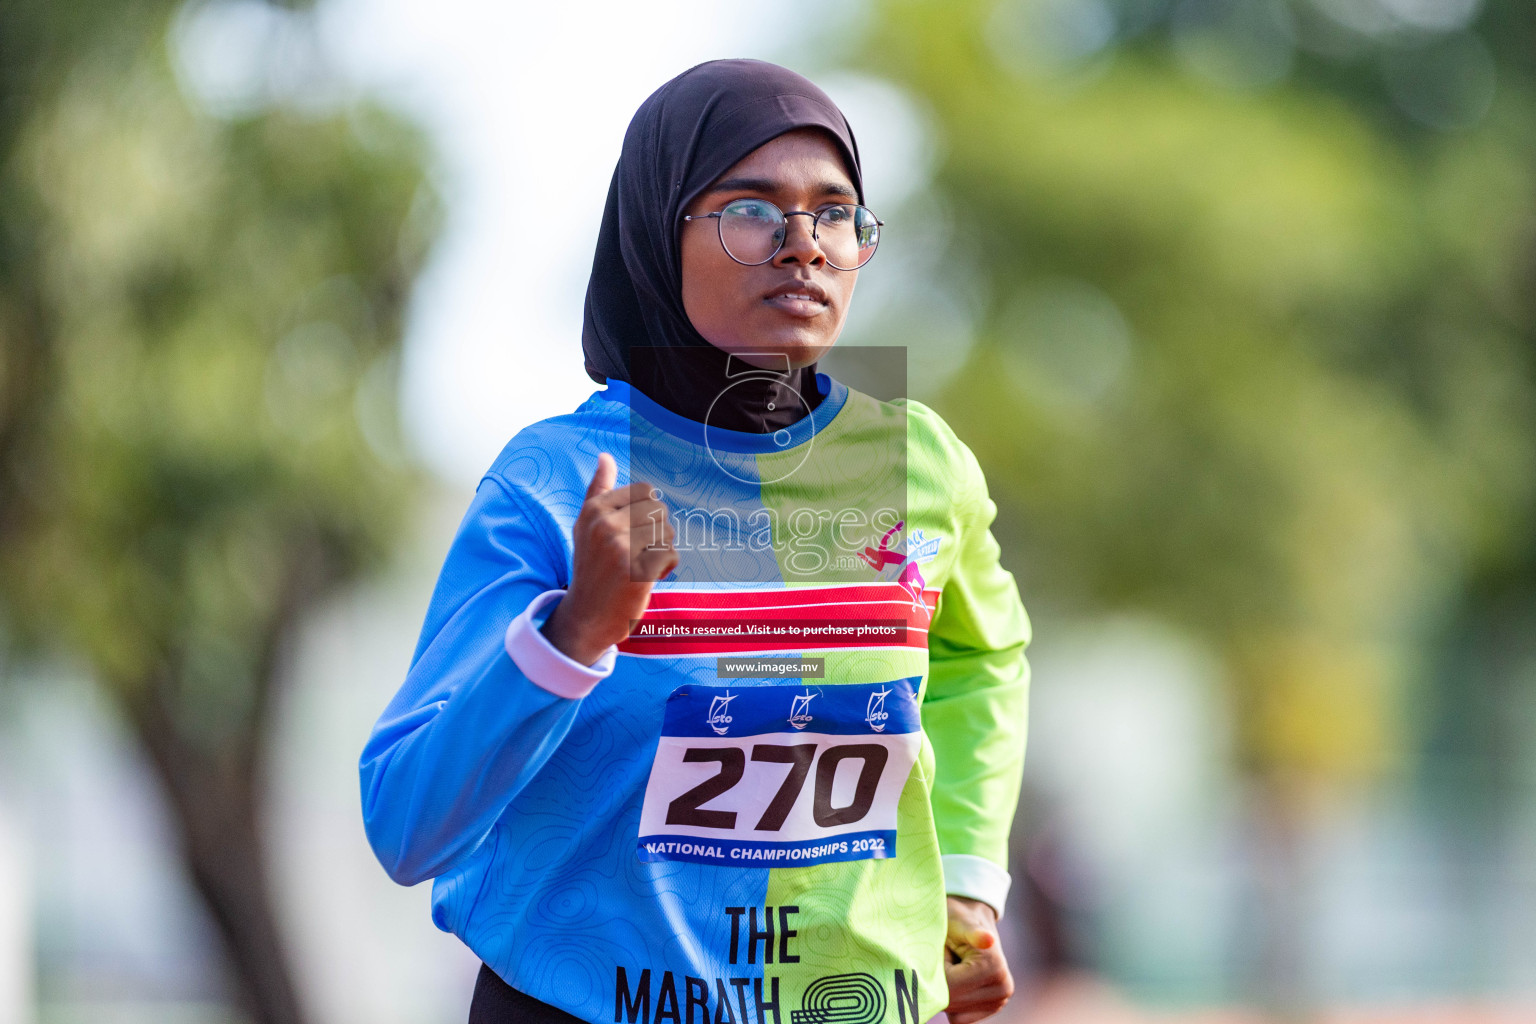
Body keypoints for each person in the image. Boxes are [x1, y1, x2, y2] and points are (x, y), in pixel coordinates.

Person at [359, 59, 1031, 1024]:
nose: (803, 246)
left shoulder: (919, 463)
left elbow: (980, 659)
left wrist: (966, 880)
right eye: (752, 210)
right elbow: (407, 823)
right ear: (656, 228)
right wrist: (575, 634)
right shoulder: (553, 483)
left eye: (835, 213)